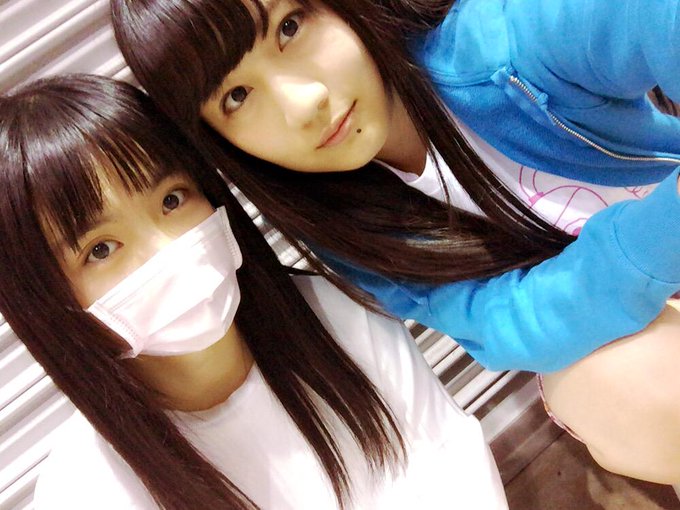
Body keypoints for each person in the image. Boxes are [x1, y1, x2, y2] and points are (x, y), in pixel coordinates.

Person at [110, 0, 680, 481]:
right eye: (236, 96)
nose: (303, 104)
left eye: (290, 27)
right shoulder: (348, 231)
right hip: (639, 330)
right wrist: (656, 236)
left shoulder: (497, 49)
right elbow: (508, 324)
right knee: (625, 389)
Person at [0, 74, 508, 509]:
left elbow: (455, 463)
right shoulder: (85, 489)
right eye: (101, 249)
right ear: (47, 301)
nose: (169, 247)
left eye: (172, 199)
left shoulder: (336, 313)